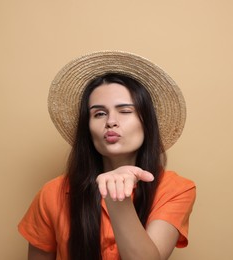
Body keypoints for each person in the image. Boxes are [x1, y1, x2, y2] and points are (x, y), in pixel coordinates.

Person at [18, 51, 196, 260]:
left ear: (146, 122)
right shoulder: (52, 193)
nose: (111, 121)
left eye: (125, 111)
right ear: (88, 128)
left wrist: (117, 199)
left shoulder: (176, 189)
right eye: (99, 113)